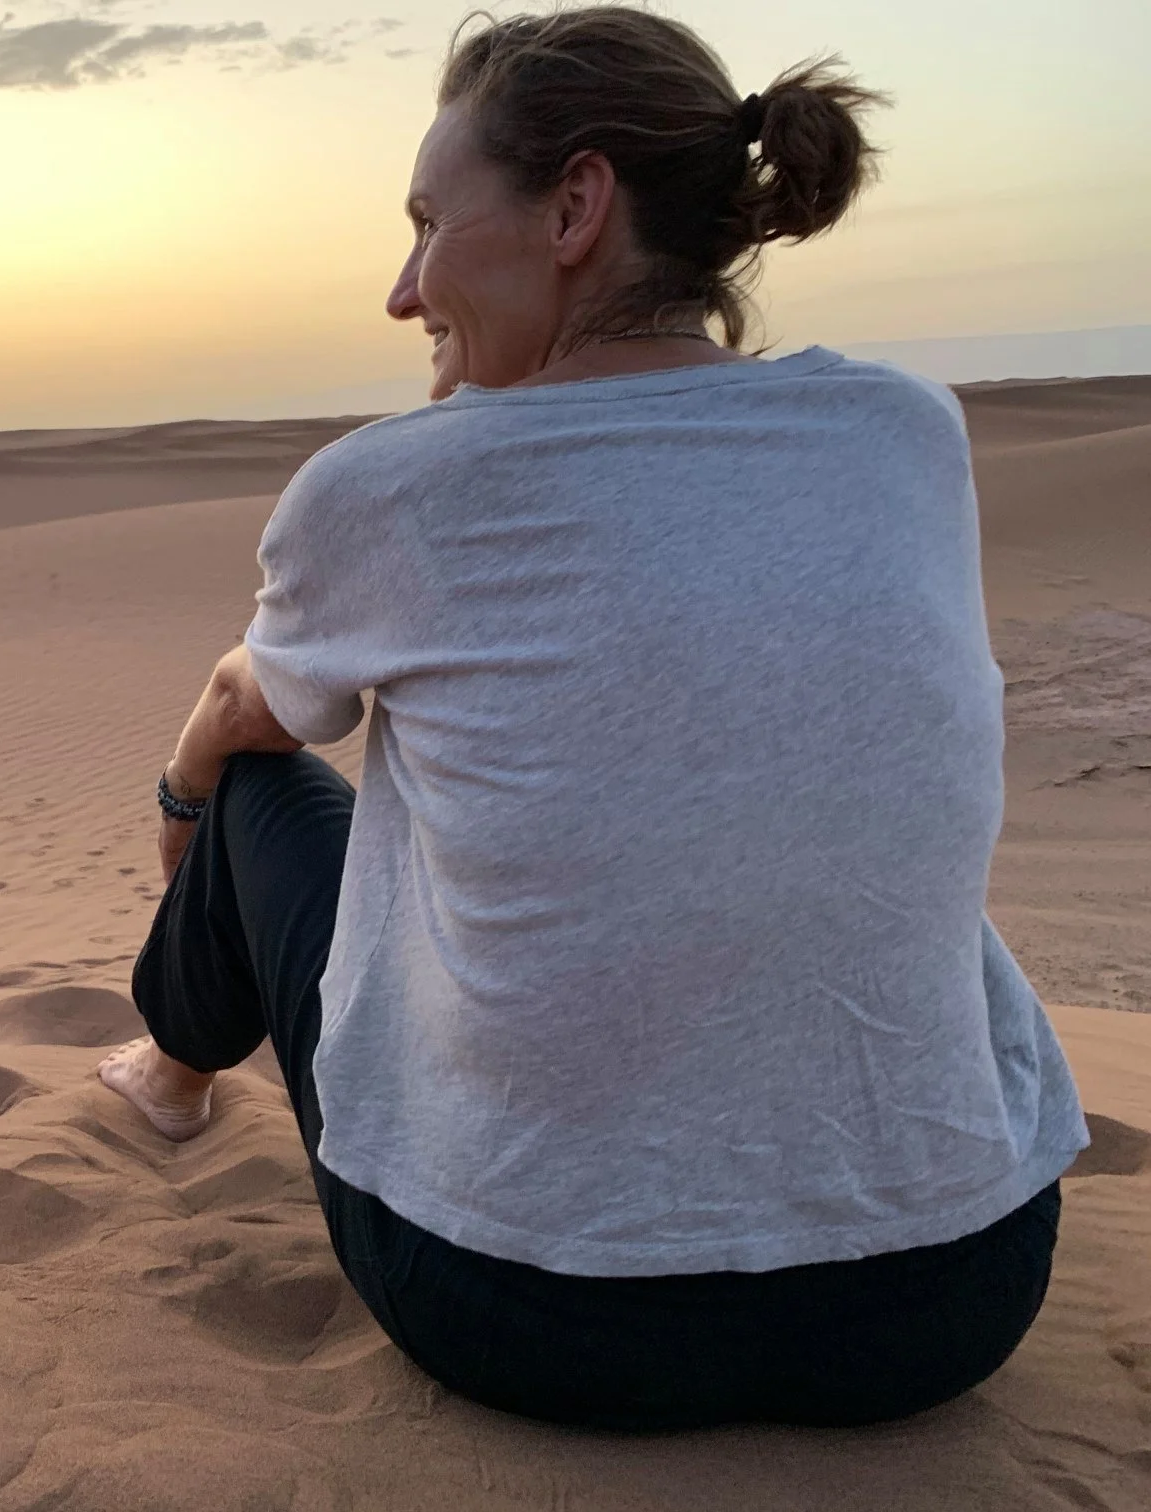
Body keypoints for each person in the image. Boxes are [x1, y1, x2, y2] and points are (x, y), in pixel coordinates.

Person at [95, 5, 1089, 1432]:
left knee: (263, 792)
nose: (403, 289)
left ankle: (170, 1067)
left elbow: (247, 703)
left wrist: (186, 800)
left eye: (429, 224)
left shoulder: (389, 487)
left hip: (533, 1311)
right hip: (952, 1294)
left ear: (577, 206)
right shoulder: (907, 434)